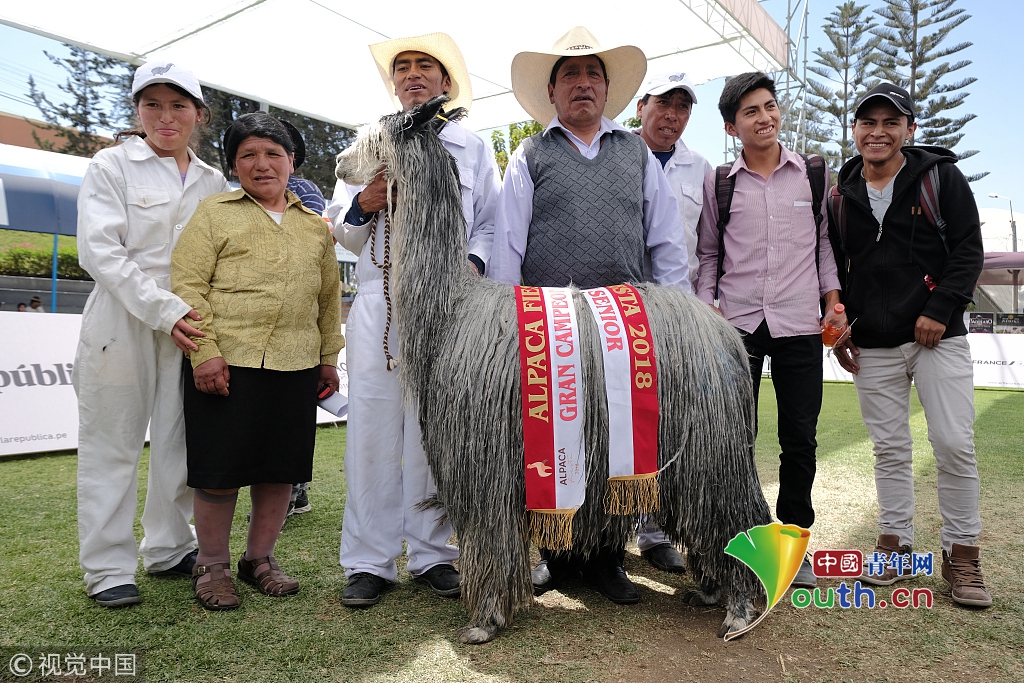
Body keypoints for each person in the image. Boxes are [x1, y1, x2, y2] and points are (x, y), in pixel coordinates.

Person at [489, 26, 689, 604]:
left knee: (616, 439)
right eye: (570, 75)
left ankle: (606, 559)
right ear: (552, 91)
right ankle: (556, 554)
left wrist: (674, 315)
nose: (583, 84)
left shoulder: (636, 154)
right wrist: (505, 321)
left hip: (625, 328)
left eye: (593, 74)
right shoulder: (529, 155)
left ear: (607, 89)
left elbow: (666, 241)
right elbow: (508, 246)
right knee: (553, 439)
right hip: (547, 332)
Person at [329, 32, 500, 608]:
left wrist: (471, 266)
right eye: (403, 67)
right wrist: (365, 203)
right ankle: (369, 562)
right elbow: (341, 229)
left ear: (446, 81)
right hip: (379, 306)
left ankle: (433, 555)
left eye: (426, 65)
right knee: (371, 433)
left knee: (434, 433)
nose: (413, 75)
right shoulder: (368, 142)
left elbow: (490, 223)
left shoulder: (472, 147)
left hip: (448, 308)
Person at [171, 112, 343, 610]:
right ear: (234, 165)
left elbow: (328, 299)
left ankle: (258, 560)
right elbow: (187, 284)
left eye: (273, 154)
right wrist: (205, 354)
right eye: (248, 154)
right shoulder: (213, 213)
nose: (261, 164)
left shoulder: (315, 228)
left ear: (293, 162)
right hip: (227, 363)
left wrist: (327, 359)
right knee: (219, 472)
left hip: (297, 364)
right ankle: (212, 566)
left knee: (279, 470)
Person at [73, 62, 230, 608]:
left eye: (178, 105)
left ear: (199, 115)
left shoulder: (213, 181)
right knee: (111, 445)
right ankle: (107, 568)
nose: (165, 117)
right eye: (152, 105)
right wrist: (166, 310)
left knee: (177, 444)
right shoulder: (111, 164)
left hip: (189, 326)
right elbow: (99, 252)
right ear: (137, 111)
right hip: (123, 320)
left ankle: (168, 547)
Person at [830, 84, 991, 607]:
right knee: (890, 450)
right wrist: (840, 327)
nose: (878, 132)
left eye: (890, 122)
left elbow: (968, 249)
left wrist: (940, 309)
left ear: (910, 129)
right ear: (855, 129)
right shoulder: (840, 193)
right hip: (873, 344)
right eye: (867, 122)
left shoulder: (939, 178)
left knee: (954, 443)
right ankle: (895, 546)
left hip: (937, 337)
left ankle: (962, 554)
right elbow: (837, 268)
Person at [694, 72, 845, 588]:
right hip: (737, 325)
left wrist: (832, 299)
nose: (765, 118)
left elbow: (823, 244)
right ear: (731, 127)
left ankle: (792, 544)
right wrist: (707, 307)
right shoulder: (721, 183)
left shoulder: (812, 175)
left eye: (770, 106)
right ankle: (735, 542)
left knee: (799, 439)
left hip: (800, 323)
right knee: (733, 438)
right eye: (751, 112)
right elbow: (708, 252)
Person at [631, 71, 713, 574]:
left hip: (677, 318)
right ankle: (602, 532)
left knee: (664, 422)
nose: (672, 115)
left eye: (683, 107)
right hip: (619, 315)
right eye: (664, 103)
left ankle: (655, 532)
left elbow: (708, 246)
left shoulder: (700, 168)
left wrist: (700, 311)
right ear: (642, 105)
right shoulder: (617, 155)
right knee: (613, 418)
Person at [281, 119, 326, 518]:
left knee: (293, 412)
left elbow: (309, 243)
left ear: (292, 157)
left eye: (277, 150)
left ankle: (296, 490)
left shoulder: (306, 192)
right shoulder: (233, 198)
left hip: (299, 316)